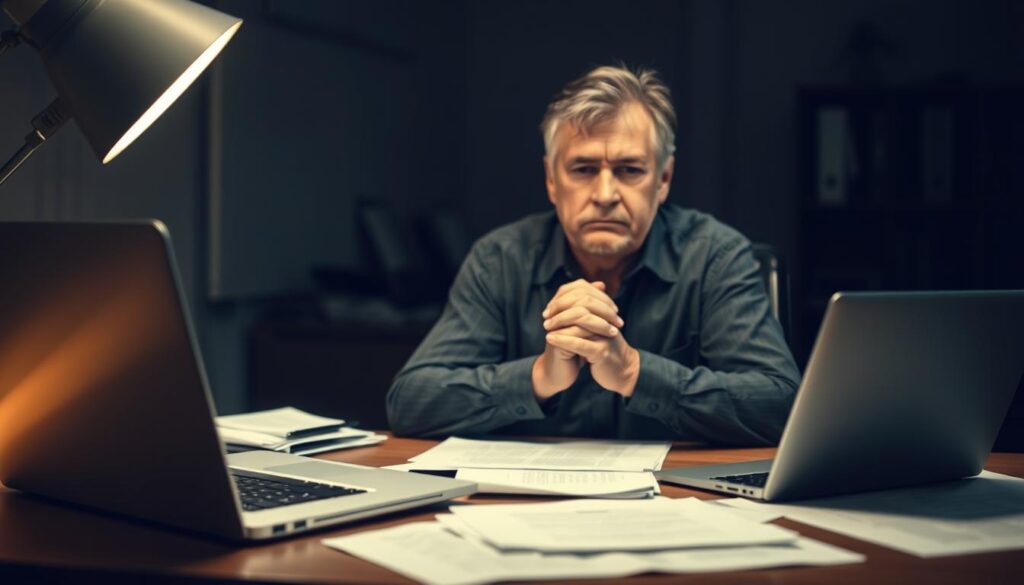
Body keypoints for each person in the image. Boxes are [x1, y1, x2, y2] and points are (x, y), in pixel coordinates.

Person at [386, 64, 799, 445]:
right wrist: (539, 376)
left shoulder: (716, 256)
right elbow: (410, 402)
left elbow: (781, 407)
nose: (604, 196)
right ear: (551, 179)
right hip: (521, 507)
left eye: (630, 170)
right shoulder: (500, 259)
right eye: (583, 170)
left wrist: (634, 372)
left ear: (663, 179)